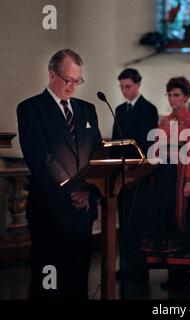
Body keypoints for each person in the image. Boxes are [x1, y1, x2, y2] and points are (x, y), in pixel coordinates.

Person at [17, 49, 102, 299]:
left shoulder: (87, 110)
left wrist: (86, 189)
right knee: (49, 281)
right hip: (50, 208)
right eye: (69, 80)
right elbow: (40, 156)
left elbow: (97, 153)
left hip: (82, 209)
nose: (73, 86)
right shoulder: (31, 109)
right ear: (52, 74)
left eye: (78, 81)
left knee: (78, 279)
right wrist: (72, 188)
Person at [142, 76, 190, 289]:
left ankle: (182, 274)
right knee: (166, 220)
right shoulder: (164, 121)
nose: (172, 99)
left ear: (186, 96)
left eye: (176, 95)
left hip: (180, 175)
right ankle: (172, 272)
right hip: (164, 176)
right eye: (169, 95)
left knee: (181, 220)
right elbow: (156, 150)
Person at [112, 68, 158, 288]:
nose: (124, 91)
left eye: (128, 87)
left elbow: (147, 144)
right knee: (124, 224)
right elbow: (114, 142)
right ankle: (125, 266)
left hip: (138, 176)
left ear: (138, 85)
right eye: (121, 87)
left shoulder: (149, 109)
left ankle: (139, 270)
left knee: (138, 224)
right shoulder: (119, 110)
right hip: (121, 176)